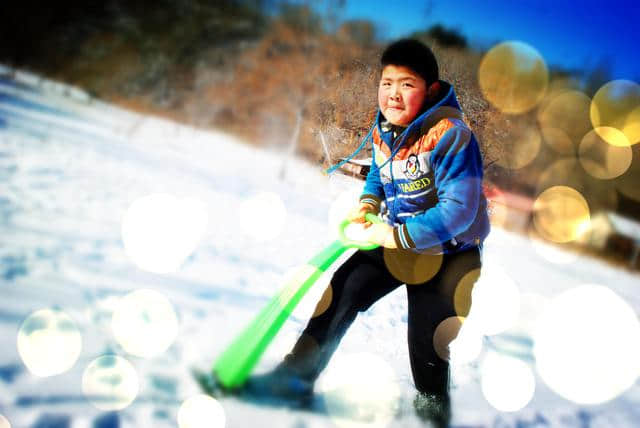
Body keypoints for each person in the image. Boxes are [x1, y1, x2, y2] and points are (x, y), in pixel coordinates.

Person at [242, 39, 490, 426]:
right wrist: (370, 204)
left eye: (407, 84)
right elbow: (378, 170)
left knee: (427, 343)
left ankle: (433, 415)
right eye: (386, 82)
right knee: (341, 291)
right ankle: (293, 380)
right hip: (396, 238)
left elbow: (460, 210)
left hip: (449, 255)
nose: (393, 93)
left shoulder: (451, 135)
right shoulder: (386, 129)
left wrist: (397, 237)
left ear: (432, 91)